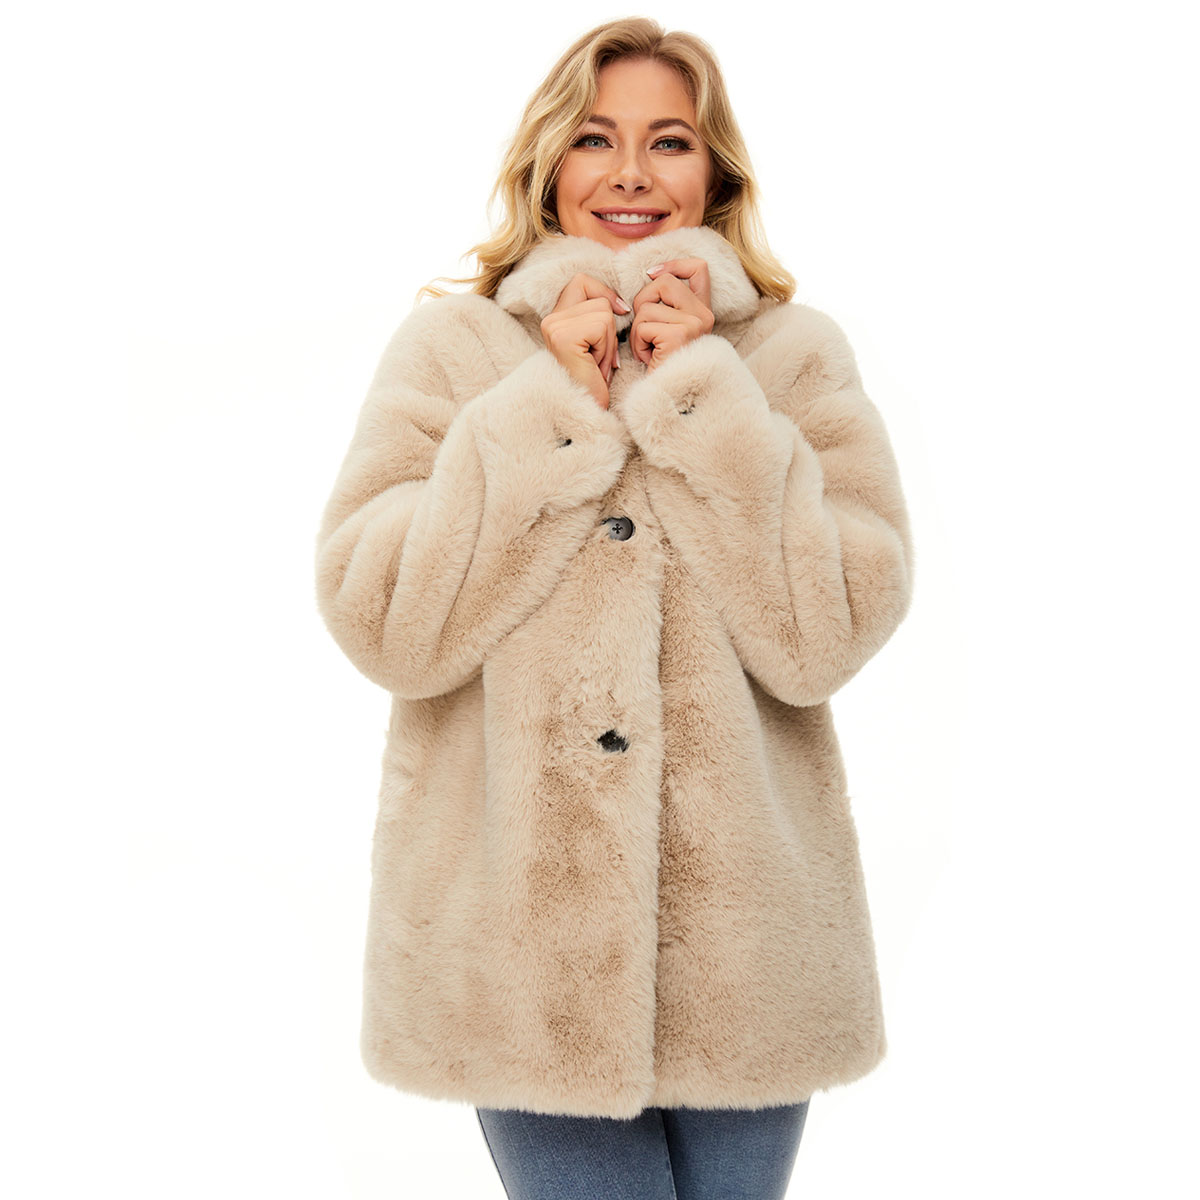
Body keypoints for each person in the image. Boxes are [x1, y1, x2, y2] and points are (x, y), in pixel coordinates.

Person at [314, 16, 914, 1200]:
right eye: (595, 138)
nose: (631, 172)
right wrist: (548, 404)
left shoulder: (791, 357)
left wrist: (701, 393)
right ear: (548, 165)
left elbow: (831, 631)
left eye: (668, 140)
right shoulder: (453, 353)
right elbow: (384, 623)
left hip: (747, 959)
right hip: (518, 960)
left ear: (716, 174)